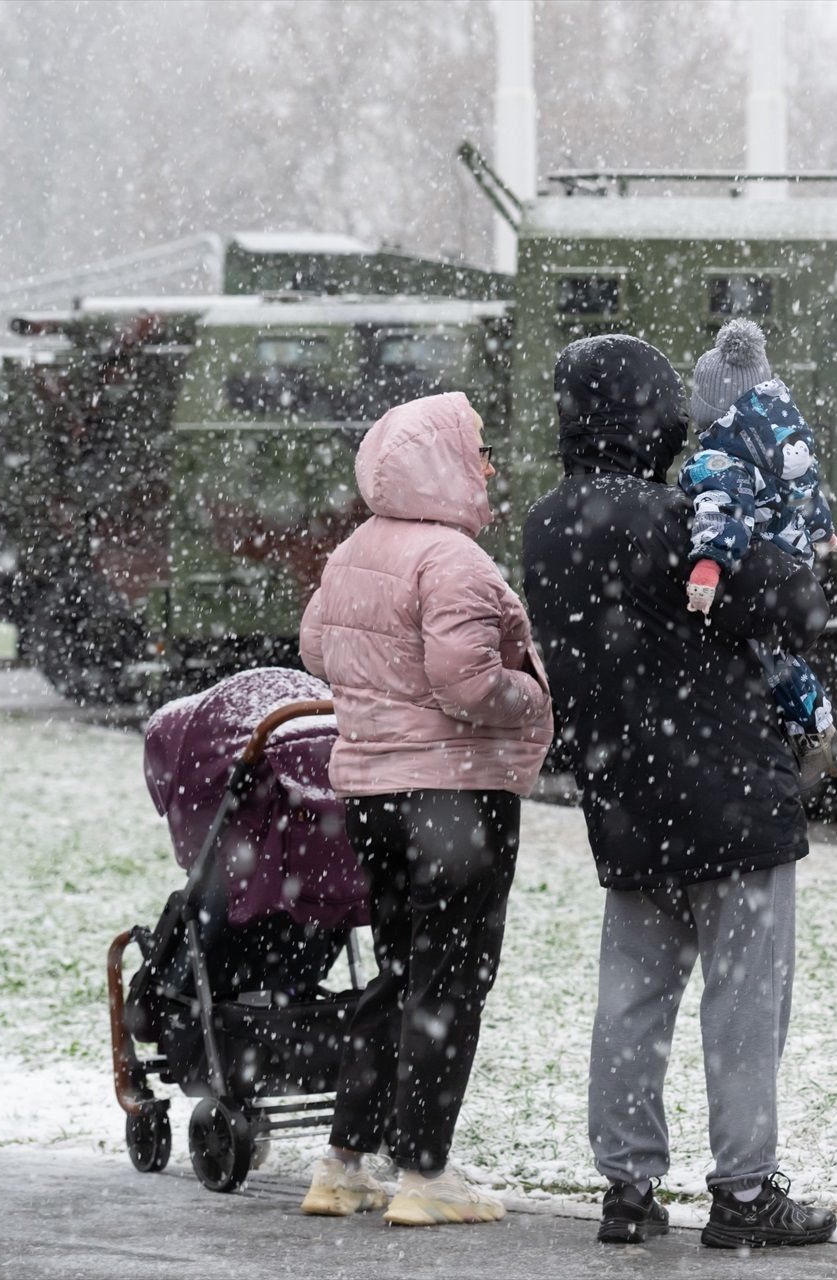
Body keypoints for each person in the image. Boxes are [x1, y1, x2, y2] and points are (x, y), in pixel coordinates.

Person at [521, 334, 837, 1249]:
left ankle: (627, 1188)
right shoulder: (675, 521)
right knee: (743, 1004)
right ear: (648, 415)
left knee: (631, 1000)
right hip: (730, 796)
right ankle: (743, 1194)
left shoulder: (547, 524)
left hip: (625, 797)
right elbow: (792, 600)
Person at [296, 391, 552, 1227]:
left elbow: (315, 647)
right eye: (475, 450)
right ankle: (425, 1173)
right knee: (451, 979)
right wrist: (534, 692)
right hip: (455, 798)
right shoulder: (456, 563)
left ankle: (342, 1161)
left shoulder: (352, 553)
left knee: (401, 974)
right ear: (438, 463)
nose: (486, 465)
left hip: (369, 790)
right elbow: (468, 683)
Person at [680, 319, 837, 788]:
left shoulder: (719, 461)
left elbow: (721, 513)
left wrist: (707, 564)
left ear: (711, 410)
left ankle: (819, 737)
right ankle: (820, 735)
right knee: (778, 655)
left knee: (767, 657)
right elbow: (807, 494)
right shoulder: (785, 448)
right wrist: (823, 534)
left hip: (752, 574)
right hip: (792, 565)